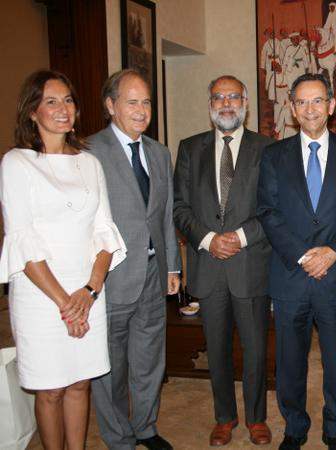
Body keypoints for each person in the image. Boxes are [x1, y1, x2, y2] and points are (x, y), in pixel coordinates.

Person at [0, 70, 126, 449]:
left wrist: (89, 291)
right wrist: (66, 304)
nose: (63, 109)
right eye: (51, 101)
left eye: (68, 100)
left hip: (88, 291)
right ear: (32, 111)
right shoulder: (16, 163)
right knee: (51, 389)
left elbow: (105, 233)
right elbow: (22, 240)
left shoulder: (89, 163)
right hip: (41, 297)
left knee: (80, 383)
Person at [257, 73, 336, 450]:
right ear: (292, 108)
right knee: (289, 362)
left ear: (332, 105)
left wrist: (333, 252)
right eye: (302, 102)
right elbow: (268, 212)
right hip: (291, 276)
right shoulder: (274, 155)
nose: (310, 109)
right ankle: (295, 427)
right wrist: (303, 256)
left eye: (317, 100)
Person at [173, 75, 274, 446]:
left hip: (250, 266)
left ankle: (257, 418)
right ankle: (224, 417)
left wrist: (240, 237)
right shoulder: (190, 148)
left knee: (255, 350)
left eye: (234, 96)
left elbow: (274, 207)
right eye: (219, 97)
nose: (226, 103)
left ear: (246, 103)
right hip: (209, 265)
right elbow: (179, 207)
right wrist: (208, 239)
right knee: (216, 350)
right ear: (210, 104)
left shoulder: (268, 148)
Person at [89, 68, 181, 450]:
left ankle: (145, 428)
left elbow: (164, 214)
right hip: (111, 277)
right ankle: (119, 438)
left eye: (146, 102)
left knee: (149, 359)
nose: (142, 110)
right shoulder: (88, 152)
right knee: (109, 367)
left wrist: (172, 265)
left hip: (153, 274)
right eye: (132, 102)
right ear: (111, 106)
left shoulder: (159, 152)